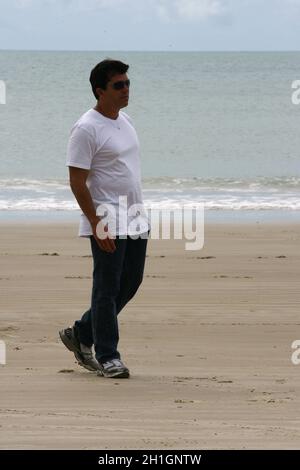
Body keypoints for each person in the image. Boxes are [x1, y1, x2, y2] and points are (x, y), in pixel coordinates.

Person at [59, 59, 150, 379]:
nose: (126, 89)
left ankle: (82, 332)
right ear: (100, 91)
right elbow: (76, 182)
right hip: (107, 219)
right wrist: (97, 223)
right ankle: (108, 355)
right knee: (107, 288)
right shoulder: (86, 128)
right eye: (118, 85)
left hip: (136, 217)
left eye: (127, 83)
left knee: (130, 283)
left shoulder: (125, 120)